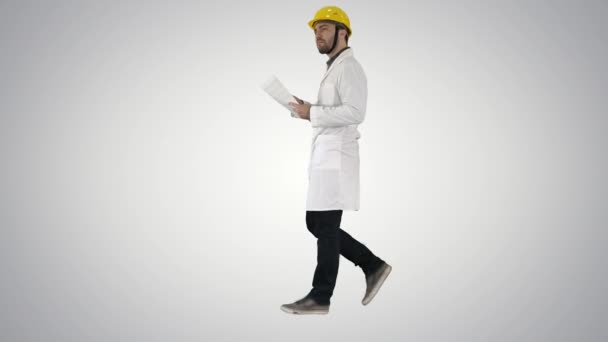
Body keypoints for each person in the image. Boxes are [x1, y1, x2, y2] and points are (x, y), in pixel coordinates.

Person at [281, 6, 392, 315]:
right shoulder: (335, 67)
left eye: (325, 28)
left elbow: (356, 112)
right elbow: (337, 109)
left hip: (337, 158)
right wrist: (310, 108)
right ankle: (373, 265)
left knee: (325, 225)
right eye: (316, 29)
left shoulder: (350, 67)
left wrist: (313, 113)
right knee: (315, 223)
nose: (318, 34)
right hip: (326, 157)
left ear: (343, 32)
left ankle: (320, 297)